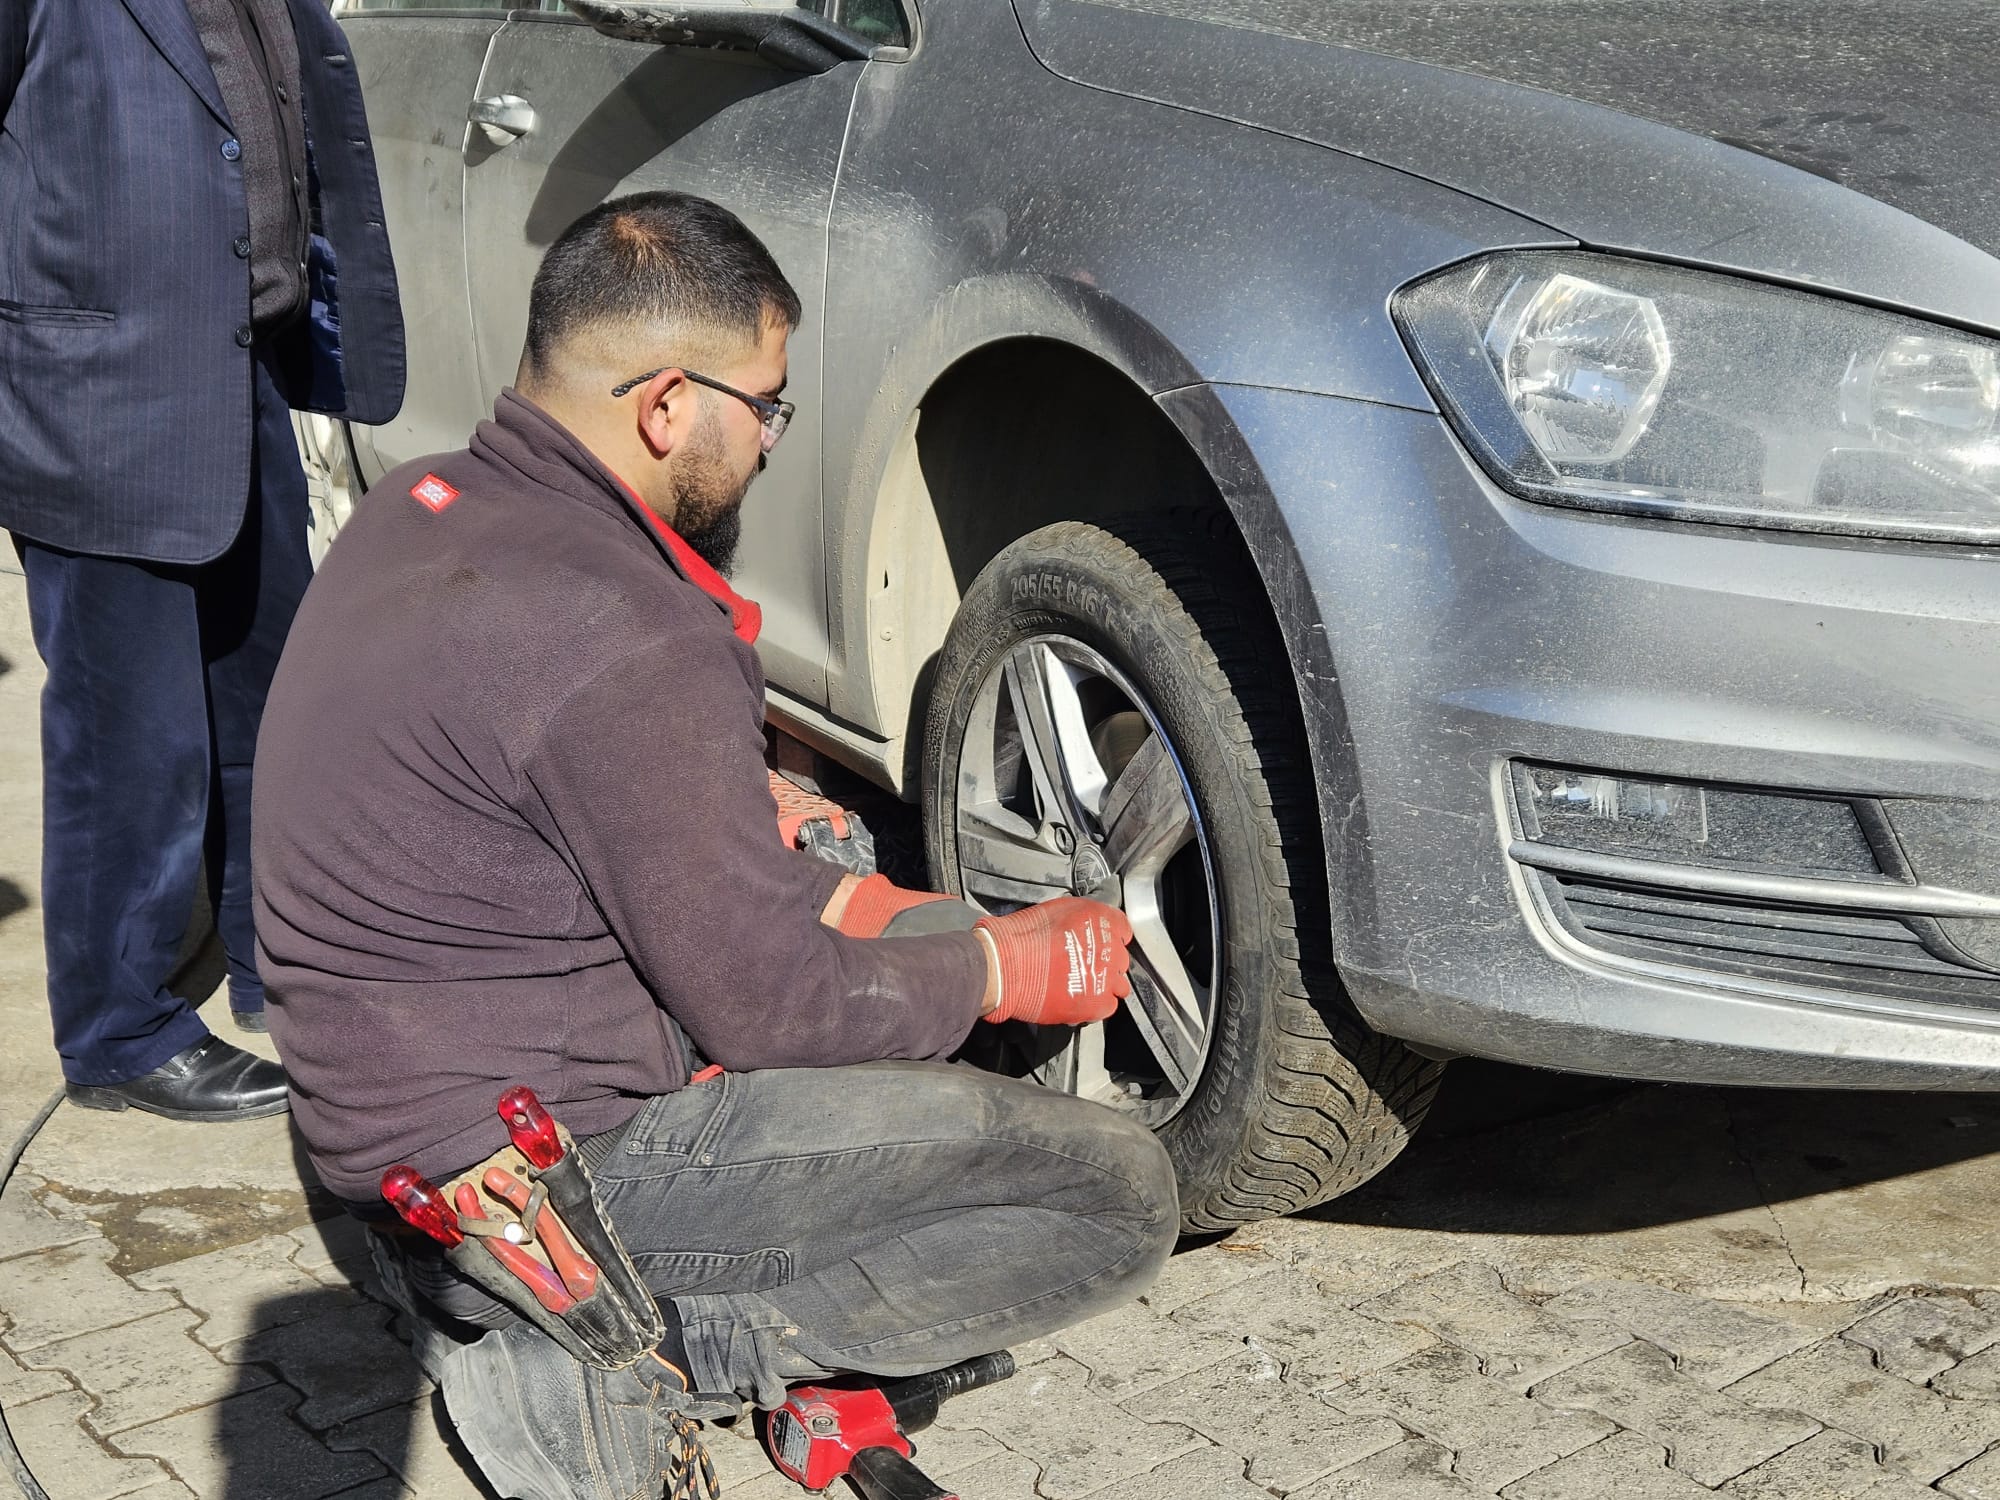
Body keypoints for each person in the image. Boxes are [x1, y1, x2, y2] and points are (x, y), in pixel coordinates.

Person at [251, 191, 1177, 1499]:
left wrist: (792, 845)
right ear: (667, 405)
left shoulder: (426, 505)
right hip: (533, 1173)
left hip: (390, 1118)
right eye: (766, 405)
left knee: (868, 891)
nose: (770, 440)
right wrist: (1001, 976)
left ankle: (538, 1309)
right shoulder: (629, 624)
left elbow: (539, 778)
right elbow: (770, 1001)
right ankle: (633, 1337)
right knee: (1117, 1193)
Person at [0, 0, 405, 1120]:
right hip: (96, 397)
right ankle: (119, 1029)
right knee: (132, 736)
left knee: (270, 689)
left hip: (239, 372)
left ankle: (282, 962)